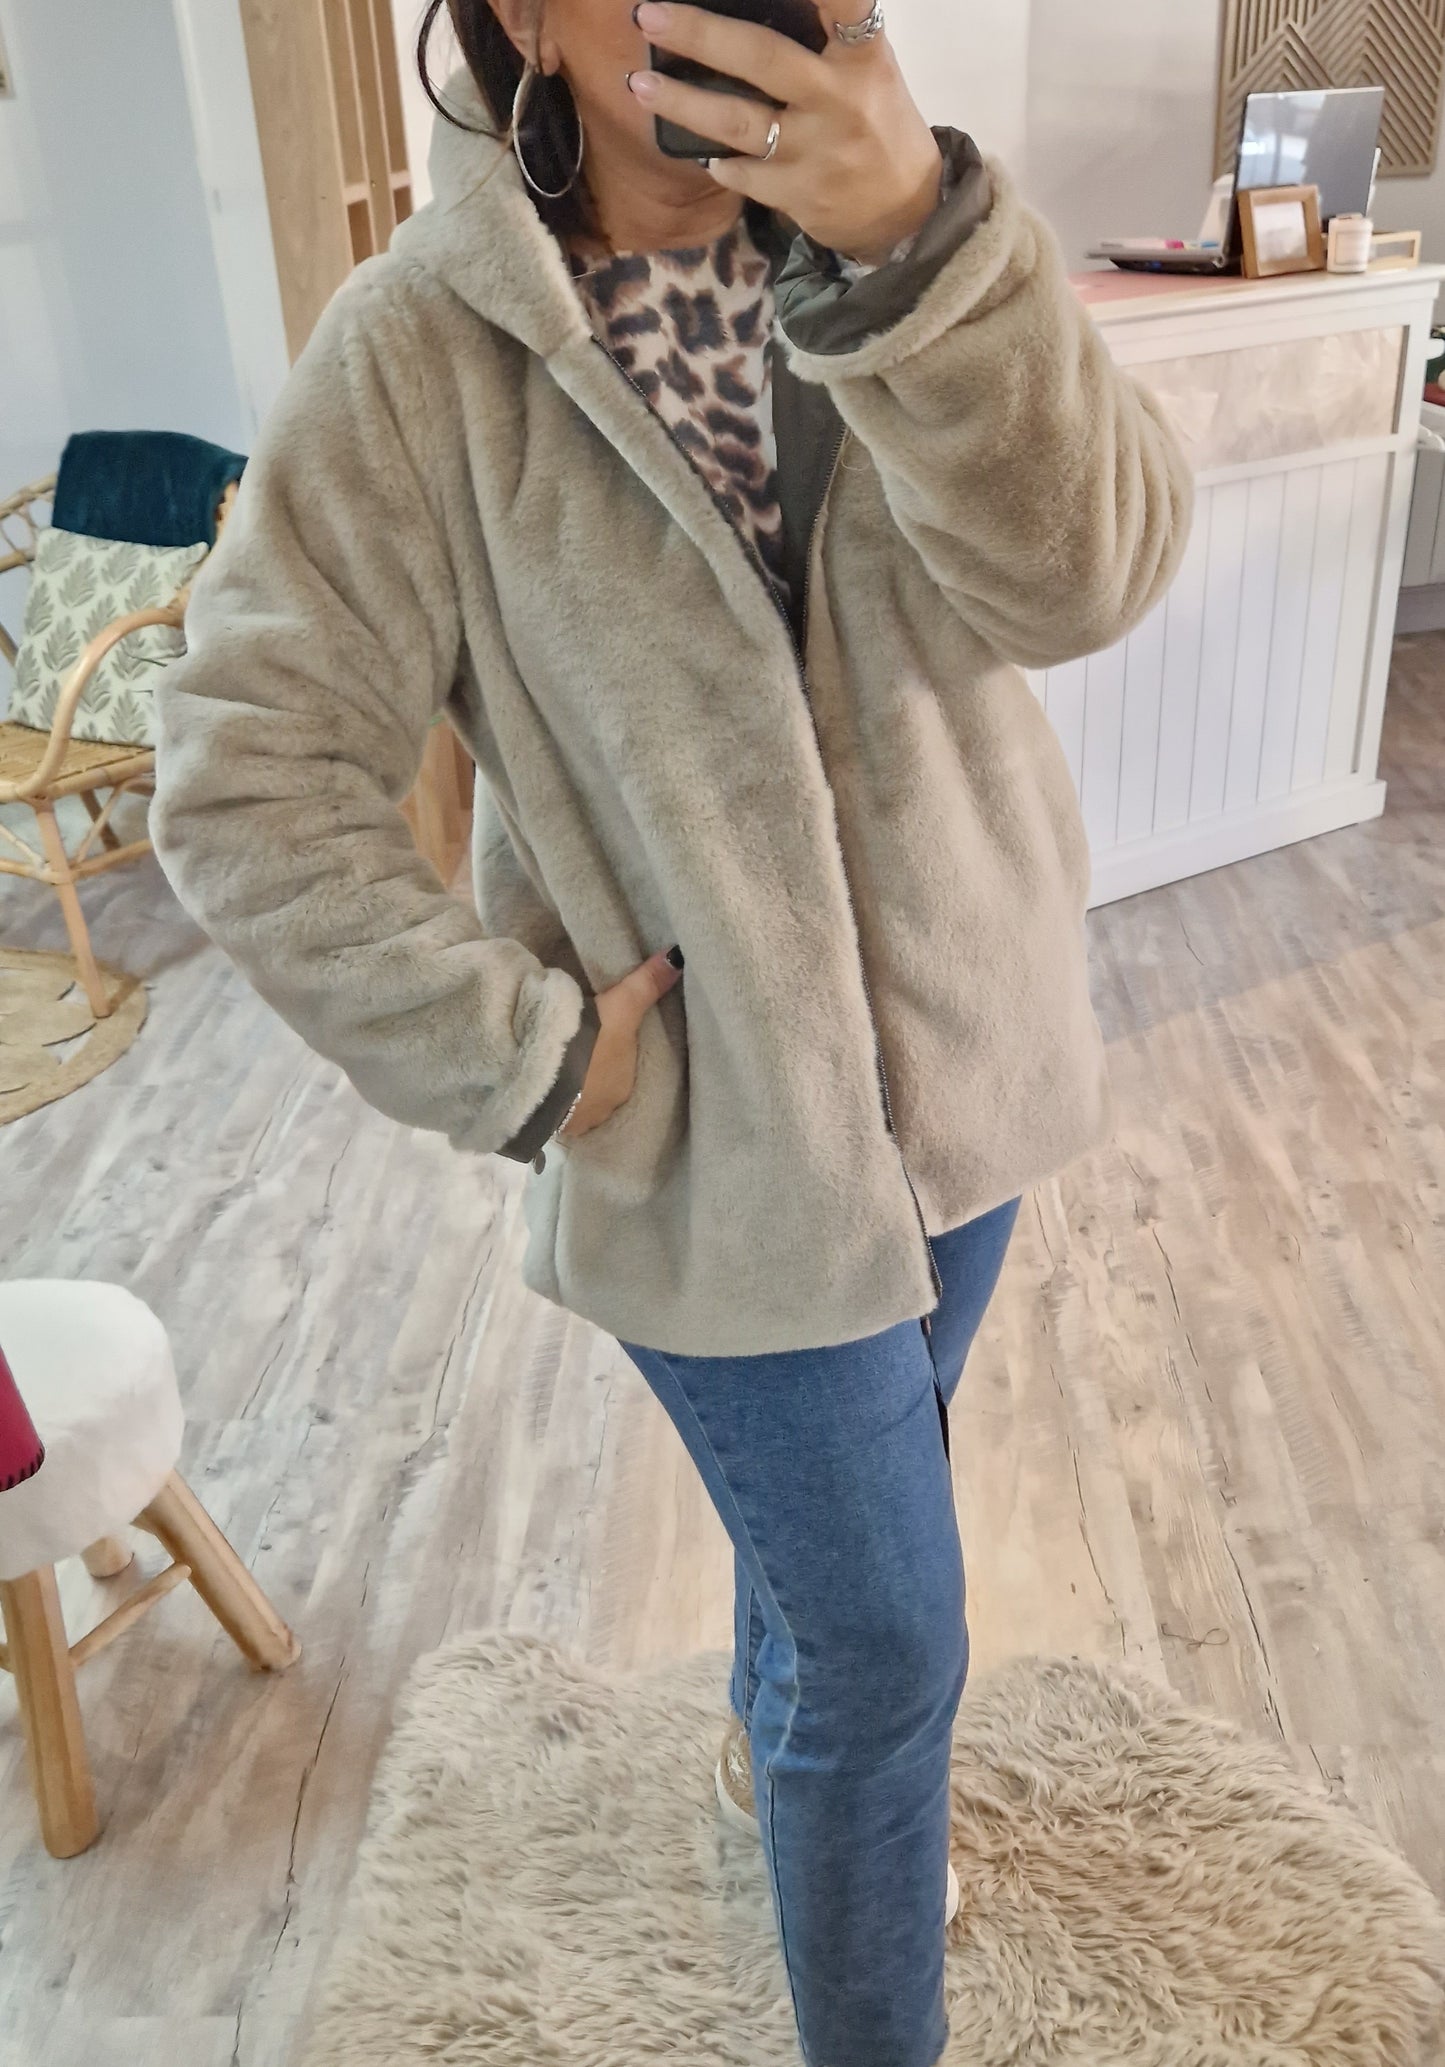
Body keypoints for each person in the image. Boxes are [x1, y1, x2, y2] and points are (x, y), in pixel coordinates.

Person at [149, 3, 1193, 2061]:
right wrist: (526, 1050)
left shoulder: (913, 239)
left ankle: (756, 1737)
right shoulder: (420, 354)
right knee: (888, 1653)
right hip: (717, 1151)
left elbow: (1092, 581)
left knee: (842, 1555)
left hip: (966, 1077)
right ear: (524, 16)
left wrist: (922, 249)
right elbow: (241, 776)